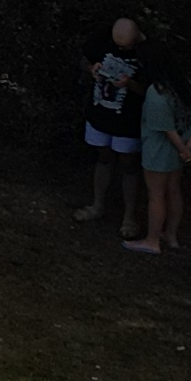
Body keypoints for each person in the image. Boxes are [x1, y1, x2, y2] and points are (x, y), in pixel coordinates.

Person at [76, 16, 146, 233]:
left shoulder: (147, 52)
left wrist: (130, 84)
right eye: (116, 44)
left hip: (128, 122)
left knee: (129, 166)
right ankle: (97, 206)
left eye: (123, 46)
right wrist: (91, 69)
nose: (118, 48)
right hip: (101, 114)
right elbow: (83, 60)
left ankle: (129, 218)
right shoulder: (102, 38)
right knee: (103, 158)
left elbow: (152, 91)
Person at [130, 62, 191, 255]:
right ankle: (171, 236)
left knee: (156, 195)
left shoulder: (157, 92)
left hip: (160, 151)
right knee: (174, 191)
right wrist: (189, 147)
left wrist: (183, 150)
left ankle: (152, 240)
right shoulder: (185, 84)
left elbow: (166, 129)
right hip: (183, 147)